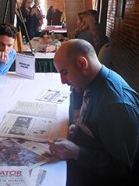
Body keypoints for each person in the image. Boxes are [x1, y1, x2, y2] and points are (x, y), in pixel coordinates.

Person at [48, 39, 139, 186]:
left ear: (82, 63)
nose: (62, 81)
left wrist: (77, 152)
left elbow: (122, 169)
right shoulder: (96, 81)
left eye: (64, 72)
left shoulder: (115, 106)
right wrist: (81, 129)